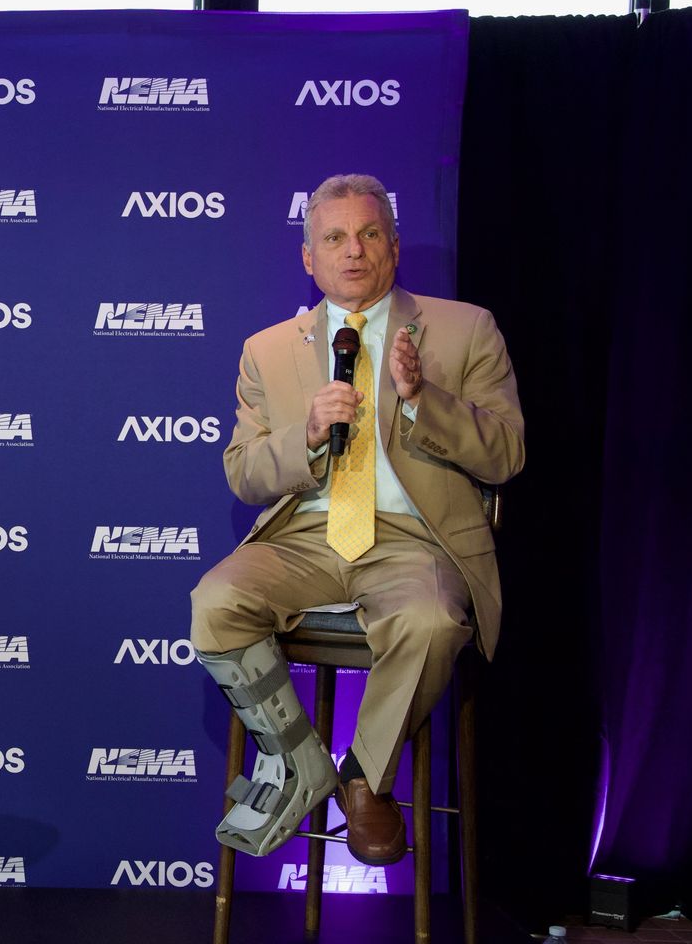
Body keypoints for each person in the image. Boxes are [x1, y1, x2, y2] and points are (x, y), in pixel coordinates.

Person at [190, 173, 524, 865]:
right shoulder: (267, 349)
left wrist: (423, 399)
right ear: (308, 257)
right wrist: (306, 436)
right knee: (215, 601)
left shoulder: (465, 329)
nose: (354, 250)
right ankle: (297, 758)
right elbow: (244, 473)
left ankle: (366, 778)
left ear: (394, 247)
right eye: (335, 237)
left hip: (416, 542)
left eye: (370, 234)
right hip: (305, 539)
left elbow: (506, 454)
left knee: (431, 621)